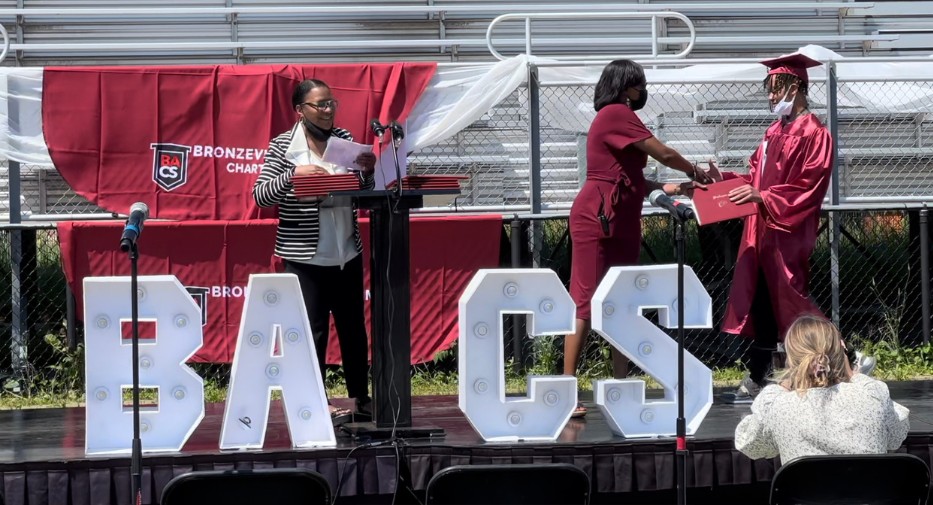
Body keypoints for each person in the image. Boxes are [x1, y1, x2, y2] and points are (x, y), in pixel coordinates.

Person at [565, 59, 711, 417]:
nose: (643, 90)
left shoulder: (616, 117)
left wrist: (667, 185)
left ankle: (622, 387)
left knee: (622, 301)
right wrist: (695, 170)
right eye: (640, 83)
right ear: (626, 86)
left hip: (621, 217)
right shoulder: (616, 112)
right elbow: (661, 152)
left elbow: (628, 177)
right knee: (585, 300)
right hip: (599, 217)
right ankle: (565, 390)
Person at [709, 54, 836, 403]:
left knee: (791, 301)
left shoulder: (816, 134)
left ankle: (845, 358)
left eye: (775, 88)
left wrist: (763, 196)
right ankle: (759, 373)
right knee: (763, 302)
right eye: (768, 89)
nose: (769, 96)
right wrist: (720, 181)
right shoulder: (773, 132)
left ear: (795, 86)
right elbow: (753, 178)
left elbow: (808, 186)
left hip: (787, 231)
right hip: (761, 230)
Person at [253, 79, 377, 422]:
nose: (327, 111)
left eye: (331, 104)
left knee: (354, 329)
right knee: (313, 330)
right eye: (319, 105)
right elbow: (261, 196)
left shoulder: (346, 140)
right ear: (300, 110)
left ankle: (361, 398)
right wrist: (294, 176)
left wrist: (367, 173)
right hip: (306, 256)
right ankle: (315, 401)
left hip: (346, 251)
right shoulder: (282, 146)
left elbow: (362, 189)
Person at [734, 315, 909, 463]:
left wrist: (785, 382)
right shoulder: (872, 394)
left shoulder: (777, 406)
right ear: (842, 353)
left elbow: (747, 444)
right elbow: (896, 437)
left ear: (791, 360)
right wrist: (853, 374)